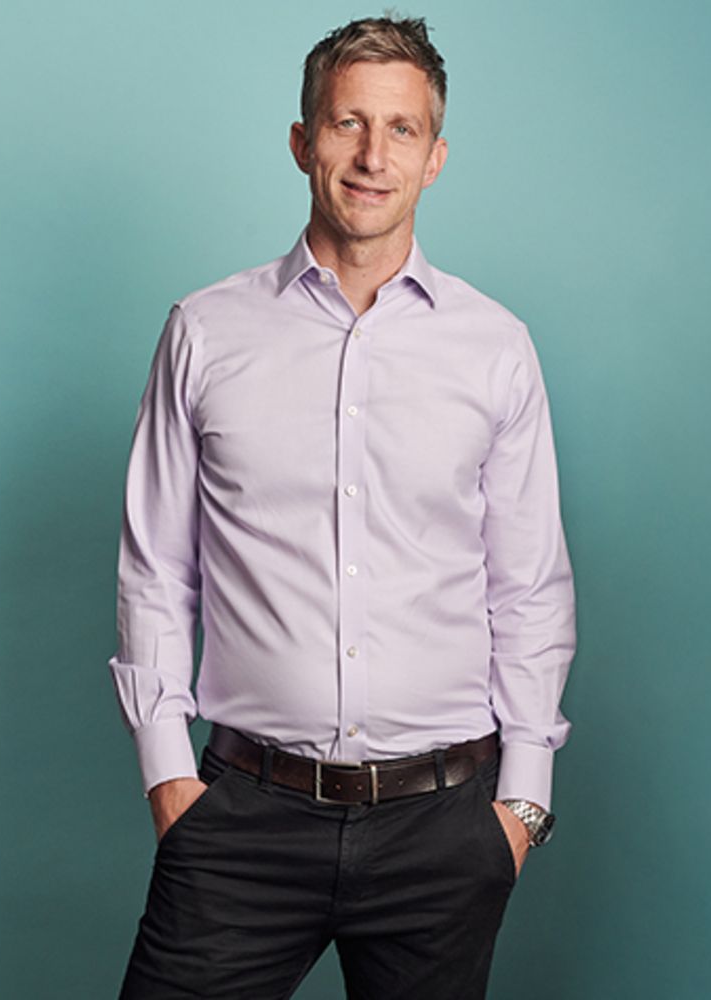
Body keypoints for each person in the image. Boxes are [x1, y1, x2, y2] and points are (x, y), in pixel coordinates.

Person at [109, 14, 576, 1000]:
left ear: (435, 157)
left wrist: (523, 802)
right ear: (302, 141)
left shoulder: (495, 348)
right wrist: (167, 777)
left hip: (444, 828)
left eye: (402, 129)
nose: (373, 156)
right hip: (241, 819)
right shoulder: (205, 332)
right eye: (347, 123)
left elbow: (528, 585)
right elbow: (156, 569)